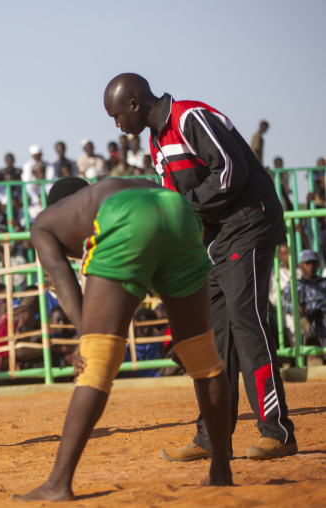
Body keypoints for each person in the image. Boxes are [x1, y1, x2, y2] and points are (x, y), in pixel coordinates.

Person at [103, 73, 296, 461]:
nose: (117, 125)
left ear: (135, 104)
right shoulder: (158, 143)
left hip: (249, 224)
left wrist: (183, 206)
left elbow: (230, 171)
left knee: (247, 320)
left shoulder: (190, 117)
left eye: (116, 115)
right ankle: (212, 435)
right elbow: (178, 201)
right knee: (208, 335)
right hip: (216, 238)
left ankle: (277, 432)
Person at [13, 176, 233, 502]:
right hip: (178, 209)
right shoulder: (120, 186)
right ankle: (221, 471)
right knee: (201, 354)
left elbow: (62, 279)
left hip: (127, 215)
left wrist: (89, 338)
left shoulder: (46, 223)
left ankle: (58, 483)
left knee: (97, 360)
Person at [282, 249, 326, 363]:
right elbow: (286, 304)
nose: (311, 266)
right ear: (301, 265)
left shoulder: (324, 283)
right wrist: (298, 309)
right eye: (307, 263)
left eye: (314, 263)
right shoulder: (294, 285)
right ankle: (311, 357)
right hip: (305, 322)